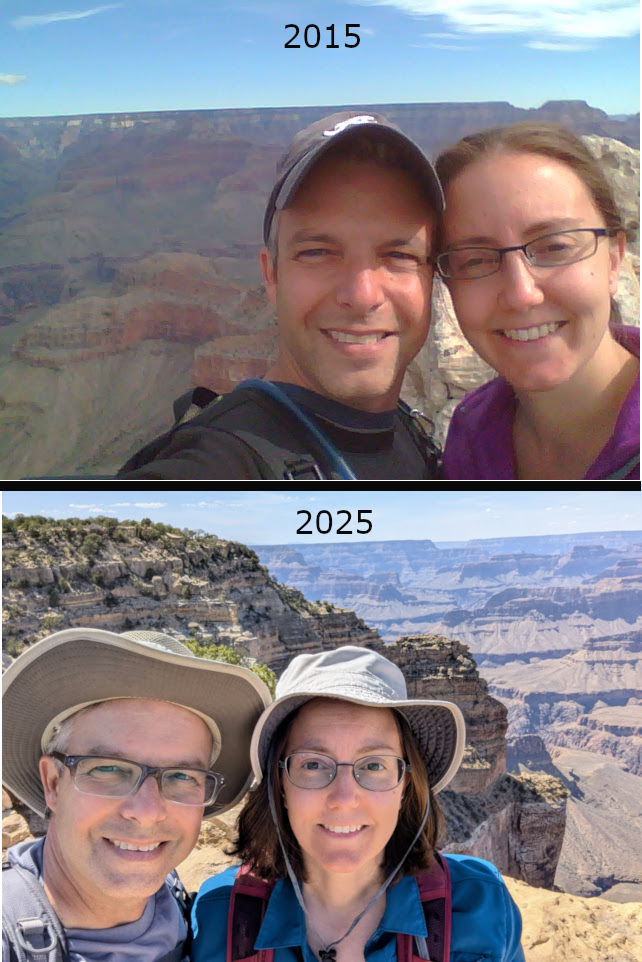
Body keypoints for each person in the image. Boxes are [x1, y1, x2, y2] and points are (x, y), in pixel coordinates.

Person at [117, 111, 444, 480]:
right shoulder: (216, 466)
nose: (362, 295)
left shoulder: (408, 429)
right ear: (271, 274)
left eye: (399, 256)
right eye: (318, 252)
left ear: (432, 276)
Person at [191, 646, 525, 962]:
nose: (344, 798)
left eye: (374, 765)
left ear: (405, 784)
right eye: (313, 764)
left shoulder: (481, 906)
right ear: (279, 786)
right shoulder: (218, 914)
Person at [2, 627, 272, 962]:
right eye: (108, 769)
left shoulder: (183, 909)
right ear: (53, 783)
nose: (146, 811)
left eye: (181, 775)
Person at [433, 122, 639, 481]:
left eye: (555, 246)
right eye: (476, 259)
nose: (521, 294)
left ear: (613, 259)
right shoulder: (470, 437)